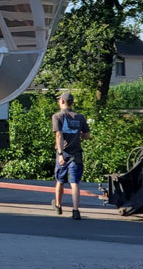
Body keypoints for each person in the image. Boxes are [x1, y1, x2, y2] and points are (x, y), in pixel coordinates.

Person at [51, 92, 91, 220]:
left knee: (60, 181)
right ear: (71, 103)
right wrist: (77, 134)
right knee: (74, 183)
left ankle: (58, 205)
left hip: (64, 153)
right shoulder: (80, 117)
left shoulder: (57, 116)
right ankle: (75, 210)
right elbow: (87, 136)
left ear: (62, 102)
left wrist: (60, 154)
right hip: (77, 153)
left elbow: (59, 135)